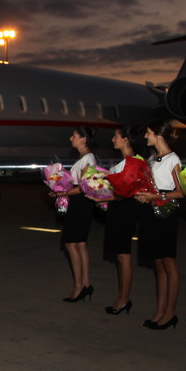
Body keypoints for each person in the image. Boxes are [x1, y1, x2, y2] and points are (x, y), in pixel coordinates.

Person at [134, 119, 184, 330]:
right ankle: (160, 309)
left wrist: (155, 196)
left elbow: (181, 192)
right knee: (159, 264)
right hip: (151, 213)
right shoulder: (152, 159)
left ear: (158, 135)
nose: (146, 136)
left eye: (148, 132)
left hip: (165, 214)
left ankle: (170, 312)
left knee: (168, 263)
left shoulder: (173, 159)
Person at [91, 126, 143, 315]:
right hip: (117, 210)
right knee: (120, 257)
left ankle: (124, 299)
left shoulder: (133, 162)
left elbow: (127, 193)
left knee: (124, 256)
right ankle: (122, 296)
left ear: (126, 139)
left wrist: (101, 197)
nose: (113, 139)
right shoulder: (123, 161)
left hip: (125, 211)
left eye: (116, 136)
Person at [52, 127, 97, 302]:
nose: (71, 138)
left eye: (74, 136)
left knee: (72, 244)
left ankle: (79, 286)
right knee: (79, 244)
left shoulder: (87, 158)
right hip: (80, 203)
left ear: (83, 139)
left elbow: (84, 187)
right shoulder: (84, 157)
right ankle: (85, 284)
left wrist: (62, 193)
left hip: (80, 204)